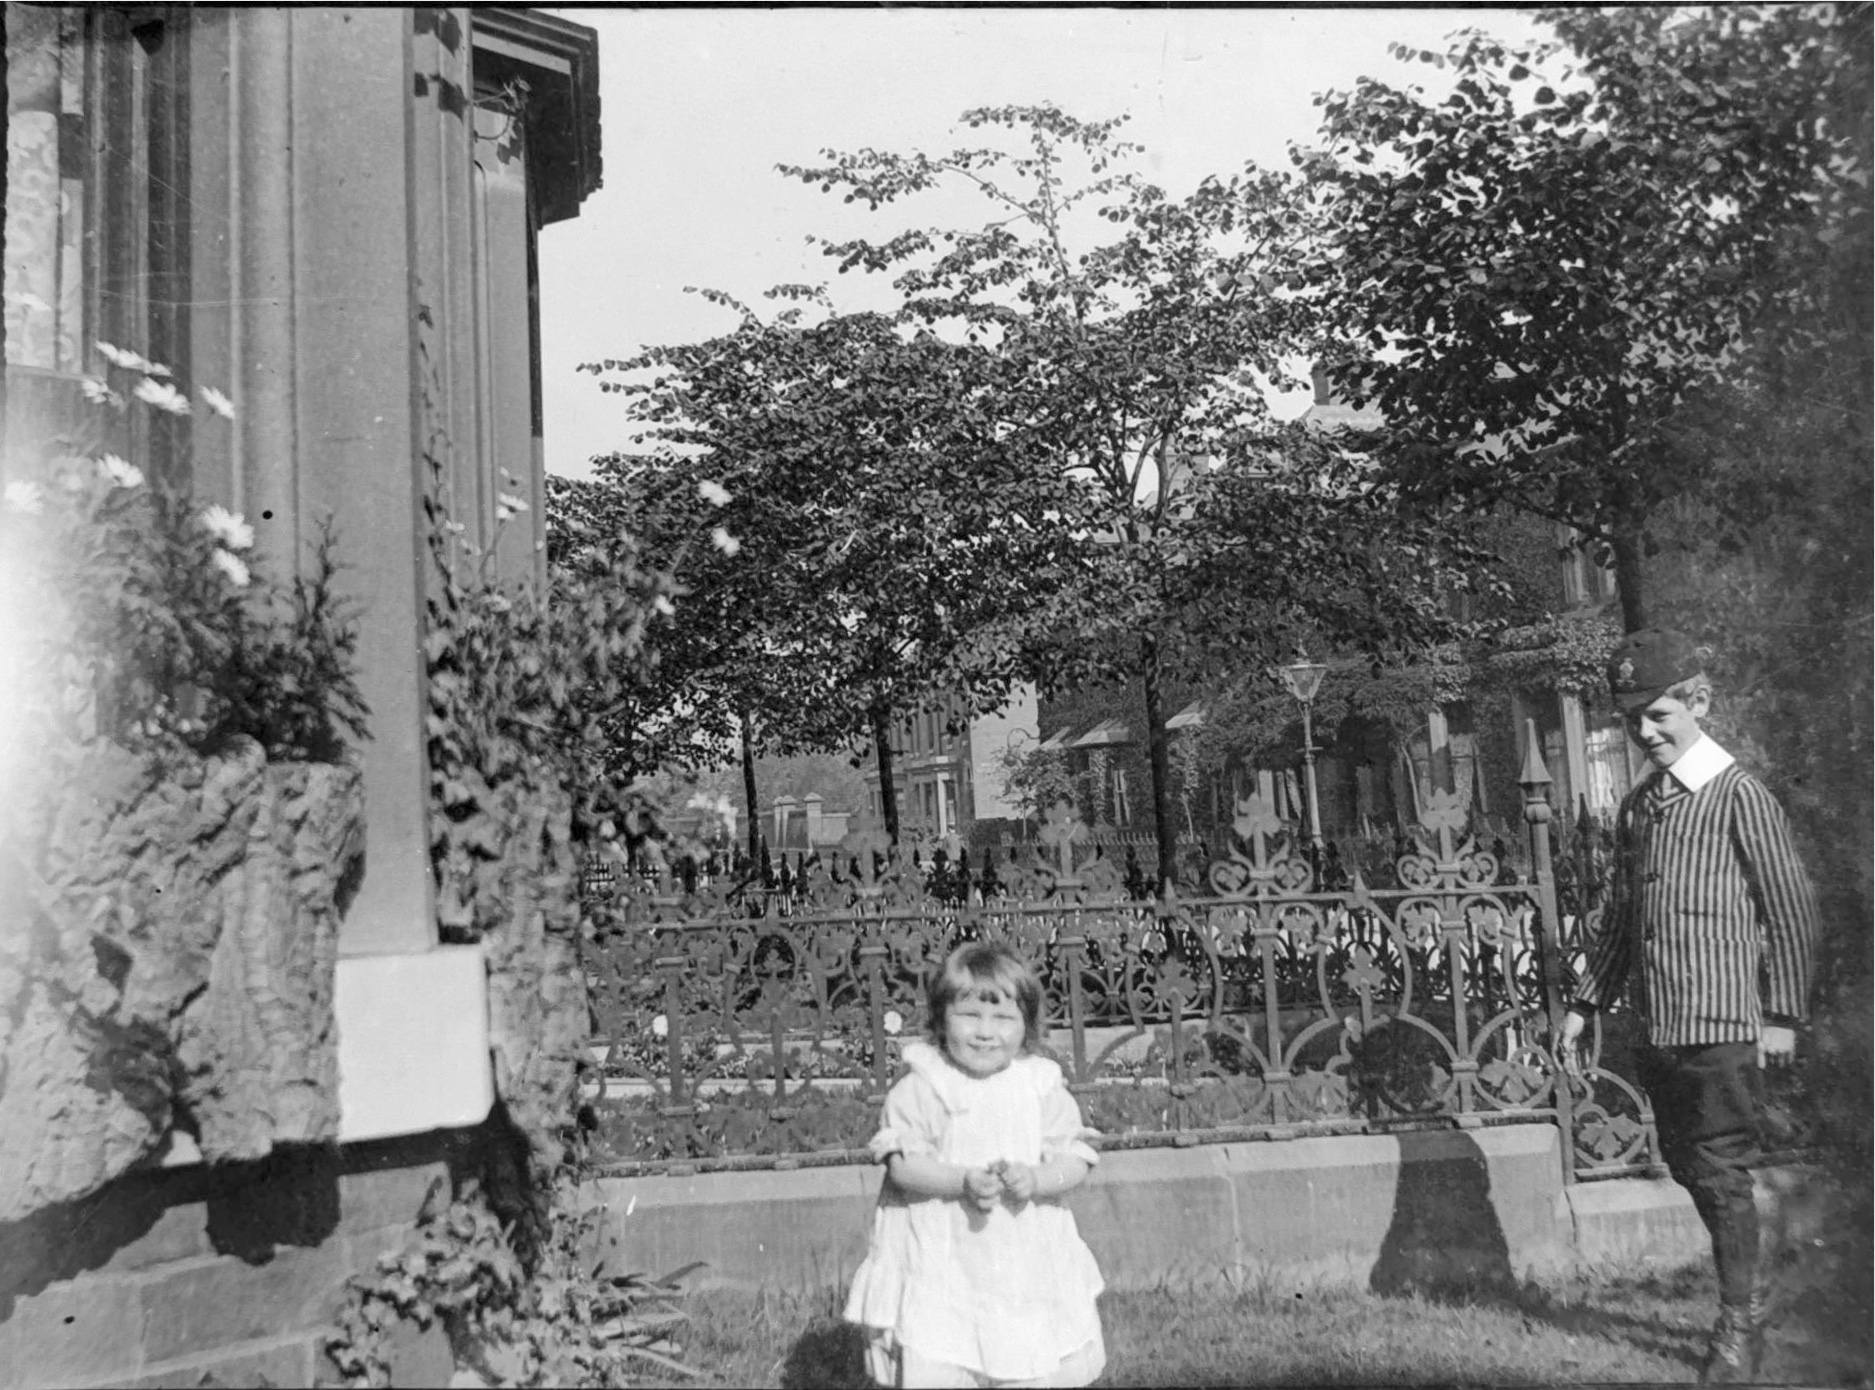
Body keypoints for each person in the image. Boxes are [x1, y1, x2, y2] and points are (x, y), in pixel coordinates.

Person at [1559, 629, 1819, 1384]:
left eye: (1659, 715)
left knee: (1719, 1169)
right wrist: (1585, 1002)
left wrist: (1781, 1014)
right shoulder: (1640, 805)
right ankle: (1747, 1295)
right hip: (1662, 1023)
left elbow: (1789, 911)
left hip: (1725, 1024)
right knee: (1689, 1166)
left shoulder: (1739, 795)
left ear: (1699, 702)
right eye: (1631, 721)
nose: (1644, 733)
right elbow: (1619, 918)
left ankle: (1739, 1323)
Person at [844, 943, 1106, 1388]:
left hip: (1021, 1254)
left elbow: (1076, 1158)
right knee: (943, 1350)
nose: (986, 1032)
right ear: (941, 1019)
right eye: (969, 1016)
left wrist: (1039, 1179)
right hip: (943, 1254)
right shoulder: (924, 1085)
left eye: (1003, 1019)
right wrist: (959, 1181)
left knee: (1030, 1356)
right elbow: (902, 1166)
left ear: (1027, 1026)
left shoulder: (1038, 1085)